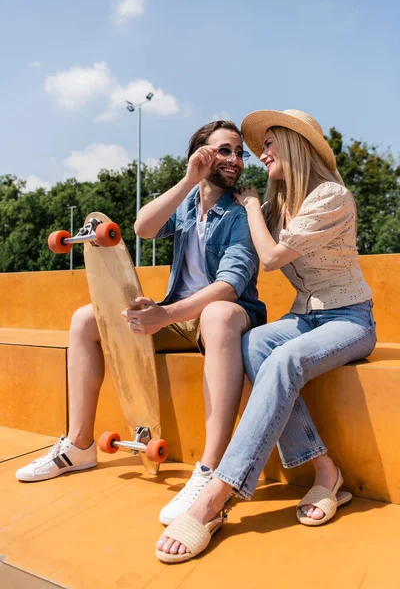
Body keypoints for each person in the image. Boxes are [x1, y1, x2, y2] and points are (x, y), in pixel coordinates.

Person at [16, 120, 266, 526]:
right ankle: (79, 445)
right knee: (85, 319)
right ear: (200, 154)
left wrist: (162, 315)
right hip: (178, 313)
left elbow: (229, 287)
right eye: (224, 150)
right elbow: (143, 228)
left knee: (218, 314)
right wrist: (189, 180)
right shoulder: (187, 203)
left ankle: (211, 471)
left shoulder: (242, 211)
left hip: (226, 315)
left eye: (240, 153)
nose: (235, 160)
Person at [155, 109, 377, 563]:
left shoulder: (331, 196)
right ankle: (324, 469)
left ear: (296, 145)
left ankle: (216, 496)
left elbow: (273, 256)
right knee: (254, 343)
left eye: (271, 144)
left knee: (283, 360)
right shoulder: (278, 205)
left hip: (349, 319)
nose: (262, 153)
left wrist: (253, 205)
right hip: (304, 317)